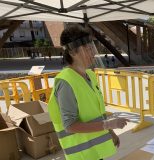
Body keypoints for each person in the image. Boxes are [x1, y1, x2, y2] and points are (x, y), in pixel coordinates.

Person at [48, 25, 129, 160]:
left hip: (96, 151)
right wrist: (109, 124)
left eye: (93, 47)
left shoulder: (90, 76)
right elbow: (70, 126)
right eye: (87, 48)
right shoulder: (65, 82)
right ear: (73, 52)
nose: (93, 52)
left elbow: (97, 113)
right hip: (82, 155)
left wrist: (110, 132)